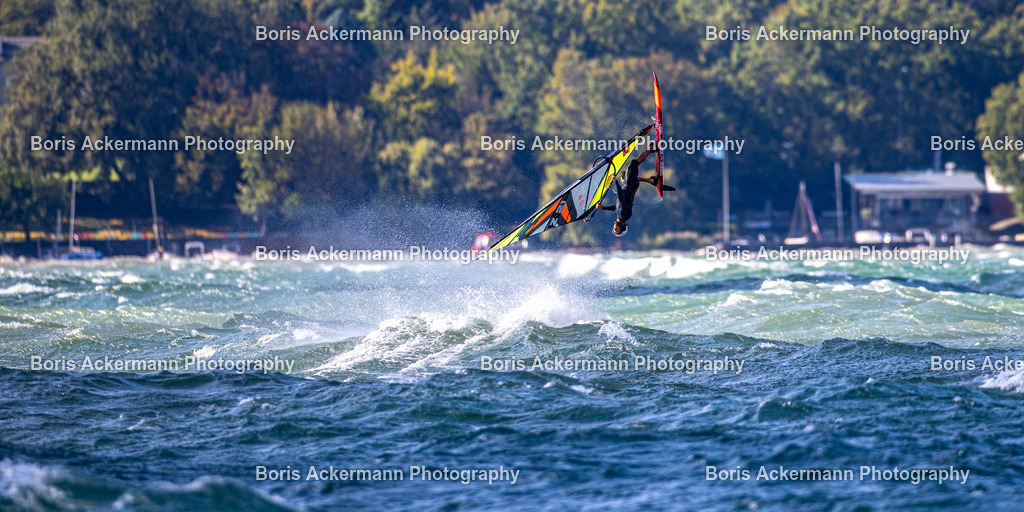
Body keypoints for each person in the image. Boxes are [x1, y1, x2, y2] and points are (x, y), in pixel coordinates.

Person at [597, 148, 663, 237]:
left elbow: (616, 207)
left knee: (624, 174)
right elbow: (621, 198)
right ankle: (651, 149)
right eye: (618, 231)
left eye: (614, 230)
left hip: (628, 185)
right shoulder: (624, 215)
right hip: (629, 185)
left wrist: (603, 207)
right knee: (634, 163)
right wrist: (615, 181)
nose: (615, 229)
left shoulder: (620, 216)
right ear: (623, 227)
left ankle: (651, 181)